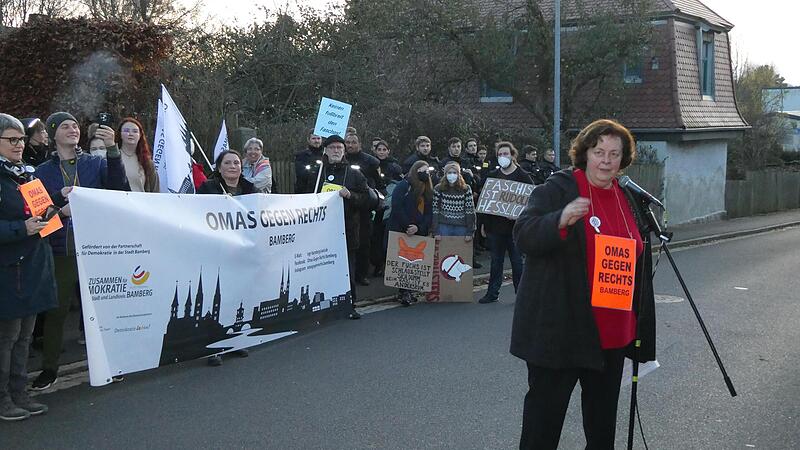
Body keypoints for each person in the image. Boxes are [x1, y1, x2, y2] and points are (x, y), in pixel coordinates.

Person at [510, 119, 656, 449]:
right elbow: (524, 234)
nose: (606, 161)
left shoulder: (627, 197)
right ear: (585, 153)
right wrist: (559, 220)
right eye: (599, 152)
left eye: (614, 154)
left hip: (611, 334)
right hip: (562, 331)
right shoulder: (559, 189)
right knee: (542, 429)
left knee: (602, 432)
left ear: (623, 159)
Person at [32, 112, 130, 390]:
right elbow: (39, 217)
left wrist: (113, 150)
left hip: (96, 248)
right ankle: (50, 368)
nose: (73, 129)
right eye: (65, 126)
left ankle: (111, 362)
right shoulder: (42, 172)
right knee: (57, 311)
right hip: (61, 249)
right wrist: (60, 209)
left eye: (75, 125)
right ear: (53, 134)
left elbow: (119, 188)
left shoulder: (95, 163)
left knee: (101, 308)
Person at [0, 113, 57, 421]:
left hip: (33, 267)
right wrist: (21, 229)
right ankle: (3, 399)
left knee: (24, 336)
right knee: (7, 338)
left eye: (21, 139)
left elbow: (43, 216)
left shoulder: (26, 175)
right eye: (11, 139)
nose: (19, 144)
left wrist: (56, 206)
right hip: (9, 271)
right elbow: (20, 224)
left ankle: (19, 392)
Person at [197, 150, 255, 366]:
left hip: (240, 252)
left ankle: (235, 342)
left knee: (236, 297)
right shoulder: (207, 188)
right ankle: (212, 348)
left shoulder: (250, 189)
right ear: (219, 168)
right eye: (227, 163)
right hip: (216, 251)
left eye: (236, 163)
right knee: (215, 300)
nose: (233, 166)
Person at [302, 135, 370, 320]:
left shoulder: (354, 174)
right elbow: (305, 197)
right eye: (332, 147)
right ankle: (322, 305)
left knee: (347, 269)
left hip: (347, 229)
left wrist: (351, 196)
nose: (336, 151)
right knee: (322, 268)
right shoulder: (317, 173)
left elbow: (367, 199)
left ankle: (349, 304)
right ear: (326, 150)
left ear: (344, 151)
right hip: (322, 231)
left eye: (339, 147)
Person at [477, 142, 532, 304]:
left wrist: (519, 215)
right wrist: (483, 224)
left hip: (515, 229)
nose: (503, 157)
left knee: (517, 262)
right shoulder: (493, 176)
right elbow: (486, 201)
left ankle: (521, 295)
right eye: (500, 154)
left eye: (506, 154)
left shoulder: (523, 176)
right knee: (496, 262)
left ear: (512, 155)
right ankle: (492, 293)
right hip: (495, 228)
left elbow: (532, 200)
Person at [385, 160, 433, 306]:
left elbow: (429, 212)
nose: (426, 174)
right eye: (422, 171)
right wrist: (408, 226)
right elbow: (397, 206)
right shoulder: (404, 185)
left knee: (413, 262)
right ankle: (404, 292)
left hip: (418, 229)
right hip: (401, 228)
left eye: (427, 171)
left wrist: (419, 227)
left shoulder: (427, 189)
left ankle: (409, 291)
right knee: (402, 260)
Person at [344, 133, 383, 286]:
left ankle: (362, 274)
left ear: (359, 144)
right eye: (348, 142)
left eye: (353, 142)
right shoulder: (341, 160)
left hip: (364, 207)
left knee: (364, 241)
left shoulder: (371, 162)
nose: (350, 145)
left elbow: (379, 183)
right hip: (346, 207)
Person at [371, 140, 403, 276]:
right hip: (375, 204)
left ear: (388, 151)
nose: (382, 152)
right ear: (375, 151)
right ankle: (377, 264)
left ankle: (388, 263)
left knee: (388, 236)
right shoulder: (371, 164)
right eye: (379, 150)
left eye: (384, 150)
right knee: (376, 236)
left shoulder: (395, 166)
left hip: (390, 205)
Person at [432, 161, 476, 243]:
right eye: (449, 173)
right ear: (445, 174)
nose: (452, 175)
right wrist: (435, 231)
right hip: (444, 226)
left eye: (455, 173)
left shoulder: (466, 189)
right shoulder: (438, 188)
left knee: (460, 250)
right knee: (444, 250)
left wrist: (470, 231)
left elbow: (470, 211)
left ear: (459, 174)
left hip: (461, 226)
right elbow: (435, 211)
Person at [117, 117, 159, 192]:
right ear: (120, 134)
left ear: (140, 135)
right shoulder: (112, 158)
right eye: (126, 130)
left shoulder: (147, 162)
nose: (130, 134)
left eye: (135, 131)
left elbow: (155, 190)